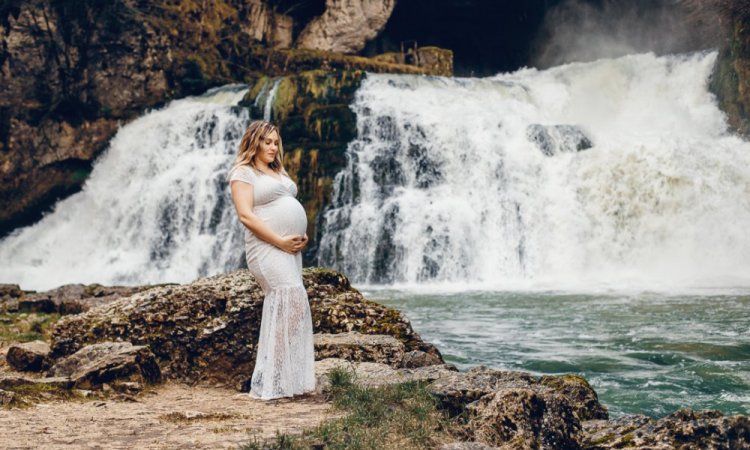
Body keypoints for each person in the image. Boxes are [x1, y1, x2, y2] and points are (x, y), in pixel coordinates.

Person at [227, 120, 316, 400]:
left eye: (276, 142)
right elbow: (246, 215)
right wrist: (279, 240)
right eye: (267, 142)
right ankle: (269, 376)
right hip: (266, 248)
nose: (273, 147)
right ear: (254, 142)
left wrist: (301, 236)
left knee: (293, 308)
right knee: (290, 298)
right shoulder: (243, 173)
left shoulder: (278, 171)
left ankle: (278, 376)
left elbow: (288, 209)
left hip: (289, 249)